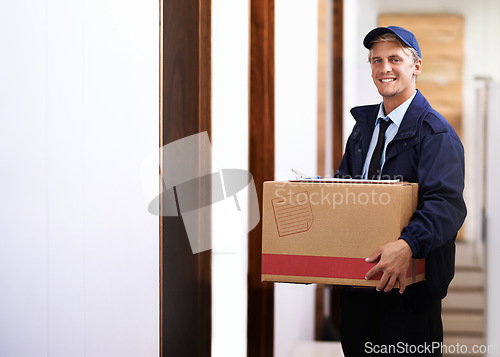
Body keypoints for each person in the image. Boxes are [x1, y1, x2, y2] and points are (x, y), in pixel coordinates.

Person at [335, 26, 467, 356]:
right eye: (376, 60)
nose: (384, 69)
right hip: (359, 287)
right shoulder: (362, 130)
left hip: (409, 298)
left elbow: (446, 205)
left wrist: (408, 244)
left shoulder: (436, 134)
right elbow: (345, 189)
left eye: (395, 59)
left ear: (416, 66)